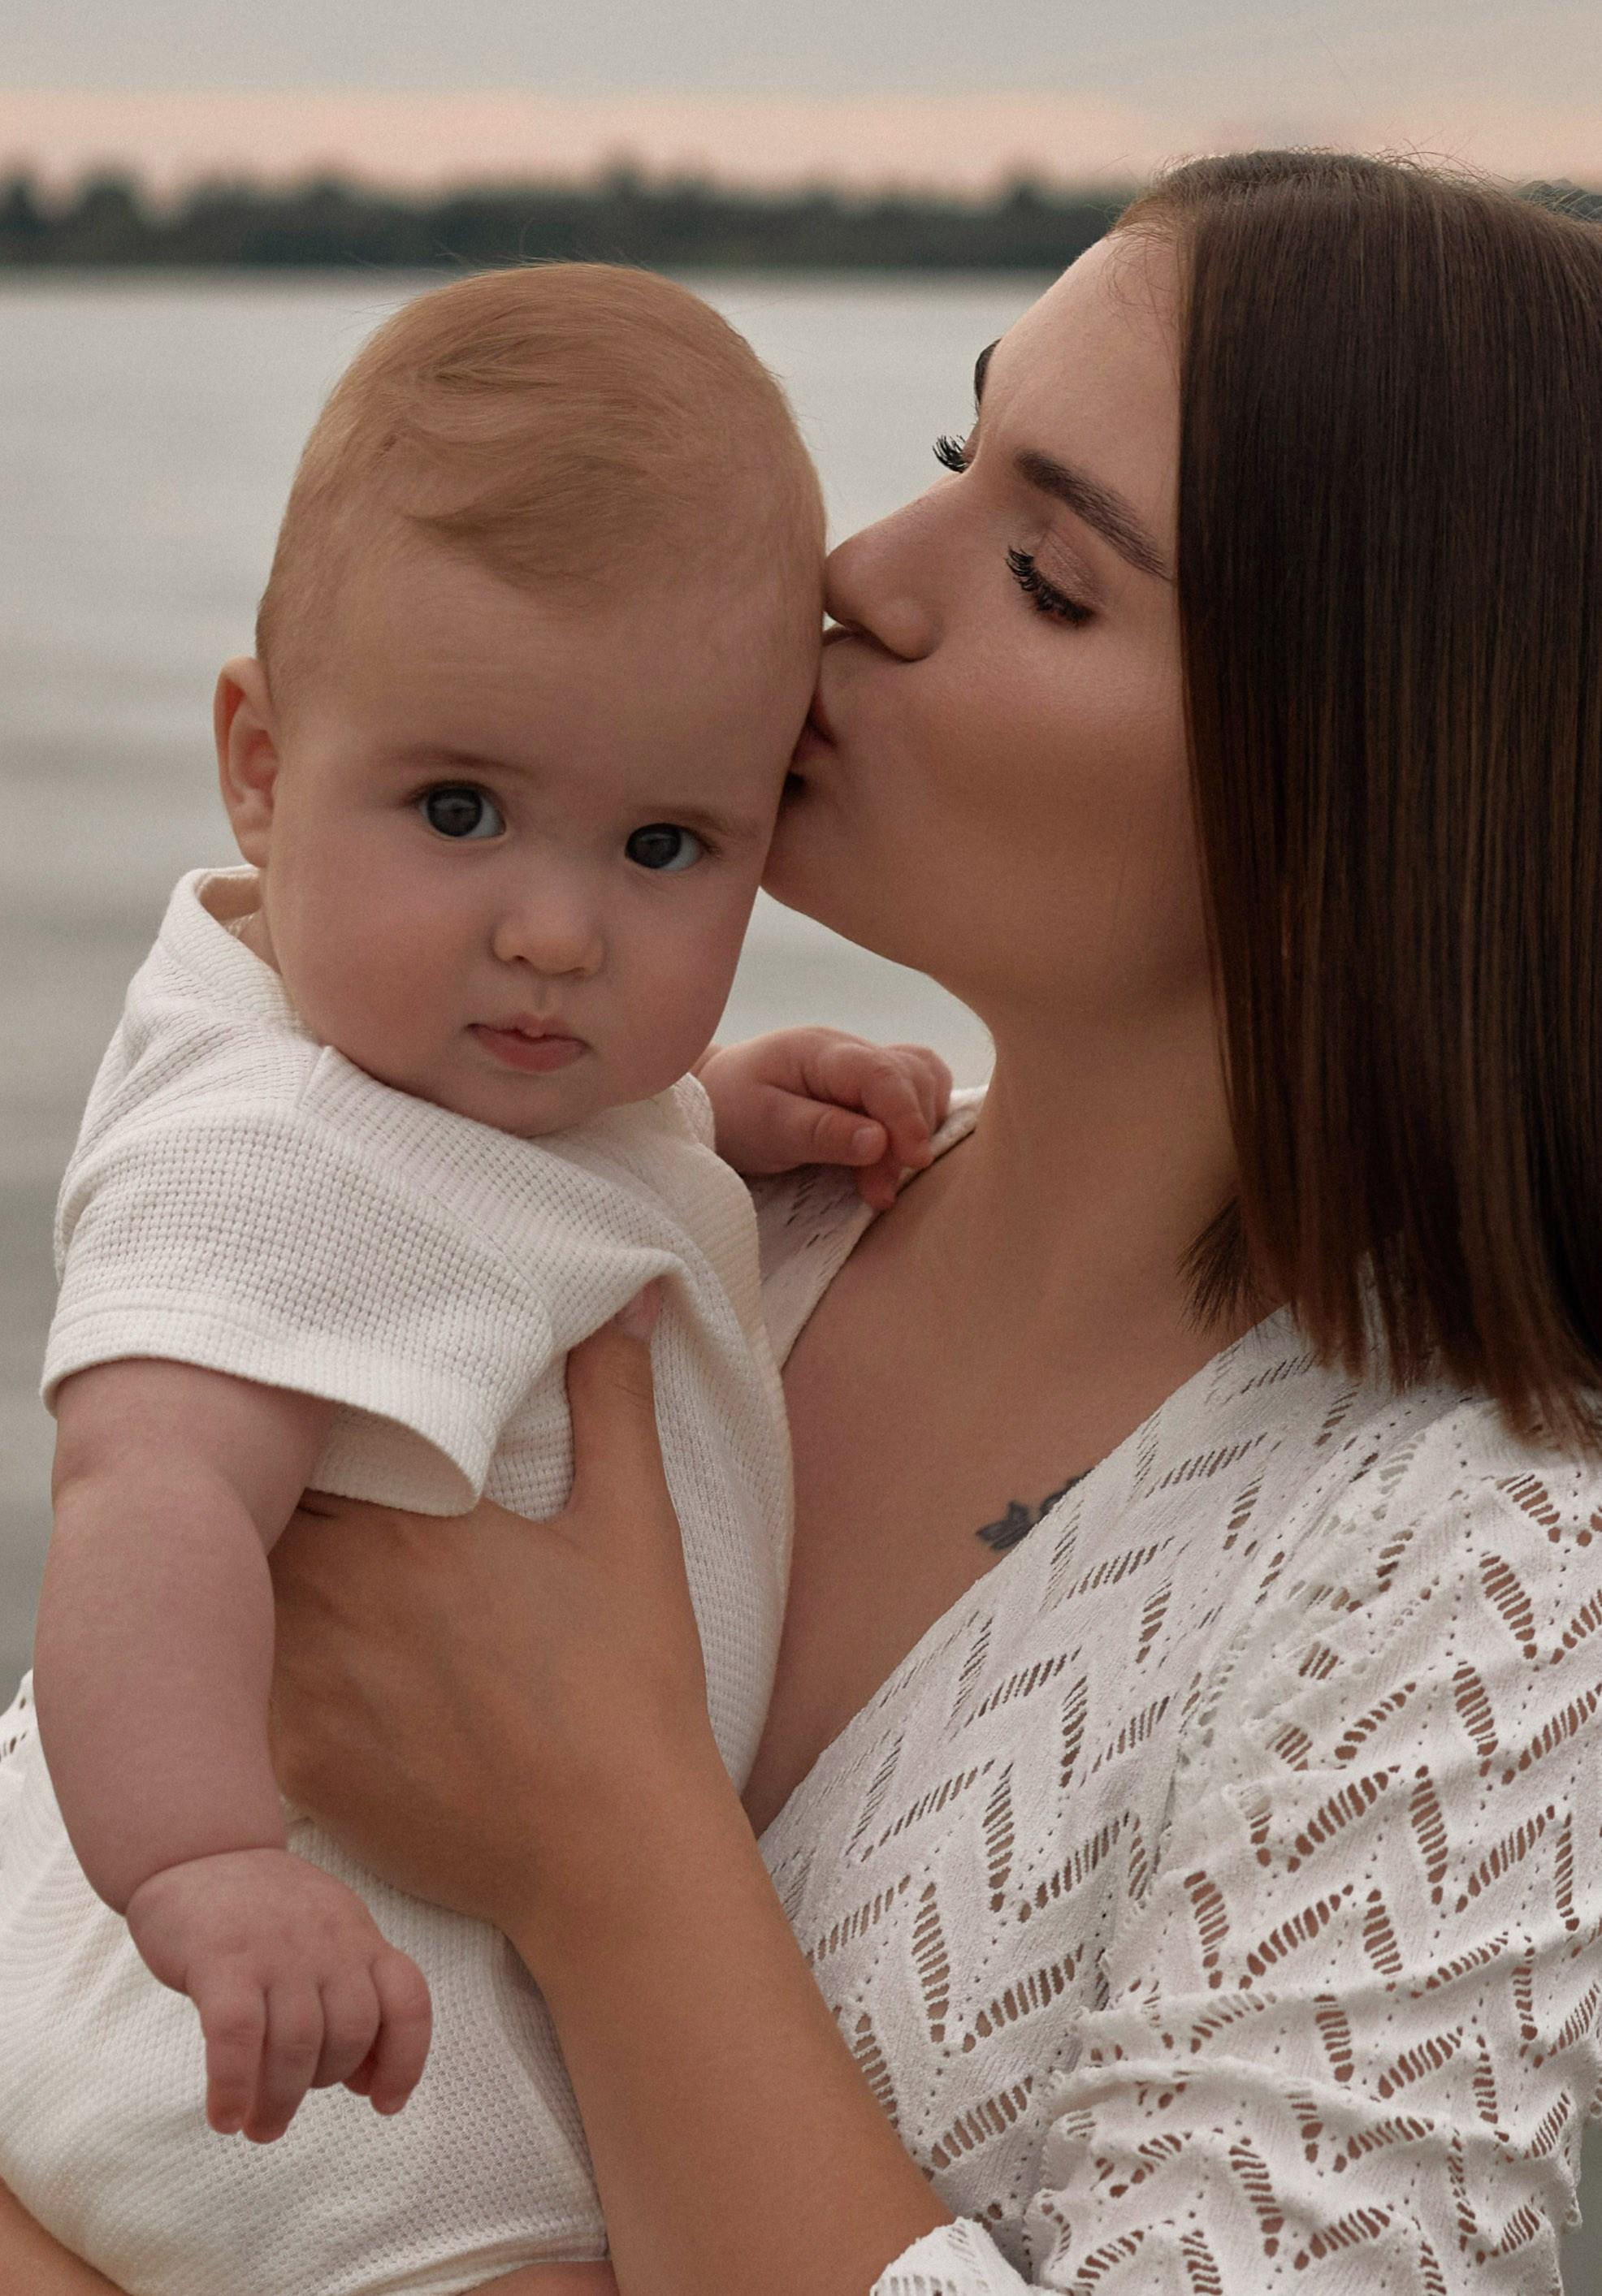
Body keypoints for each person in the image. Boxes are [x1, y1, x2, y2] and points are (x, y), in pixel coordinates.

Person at [4, 146, 1601, 2295]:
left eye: (1044, 574)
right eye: (953, 455)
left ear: (1366, 772)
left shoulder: (1495, 1590)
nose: (859, 576)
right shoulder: (661, 1190)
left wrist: (607, 1845)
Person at [0, 264, 951, 2294]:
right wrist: (201, 1863)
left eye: (664, 848)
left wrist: (707, 1112)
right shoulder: (263, 1146)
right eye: (459, 811)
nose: (554, 934)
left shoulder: (396, 1072)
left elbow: (474, 1205)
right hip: (283, 2050)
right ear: (259, 764)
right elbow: (146, 1494)